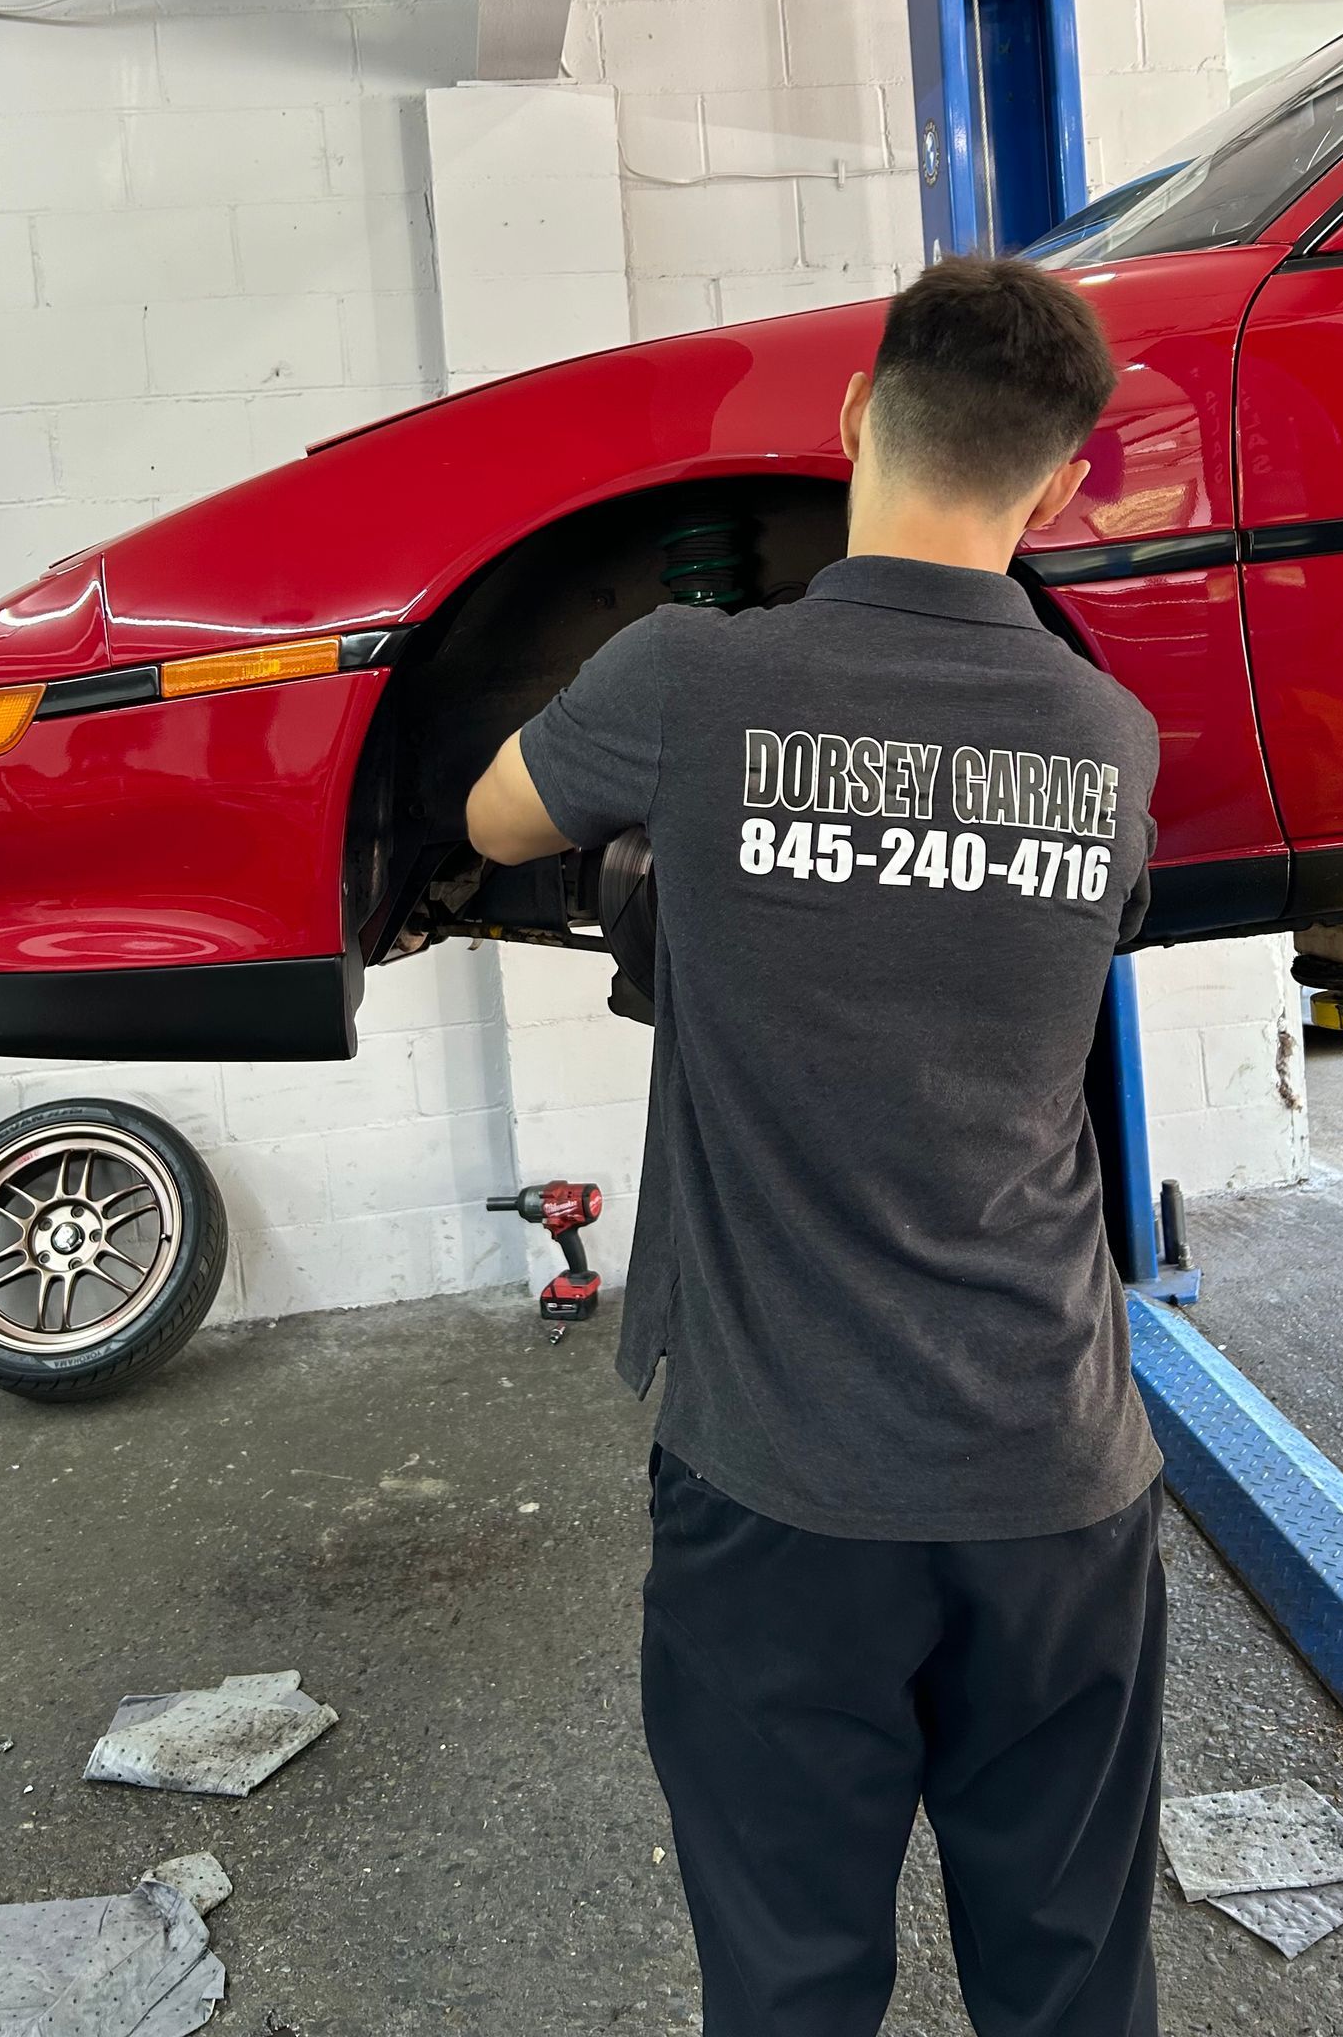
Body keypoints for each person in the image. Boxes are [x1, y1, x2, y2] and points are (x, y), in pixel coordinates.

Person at [466, 255, 1165, 2037]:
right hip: (1059, 1481)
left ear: (855, 415)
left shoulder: (692, 681)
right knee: (1074, 1981)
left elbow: (487, 814)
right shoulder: (1108, 734)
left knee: (787, 1986)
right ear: (1065, 482)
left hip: (783, 1492)